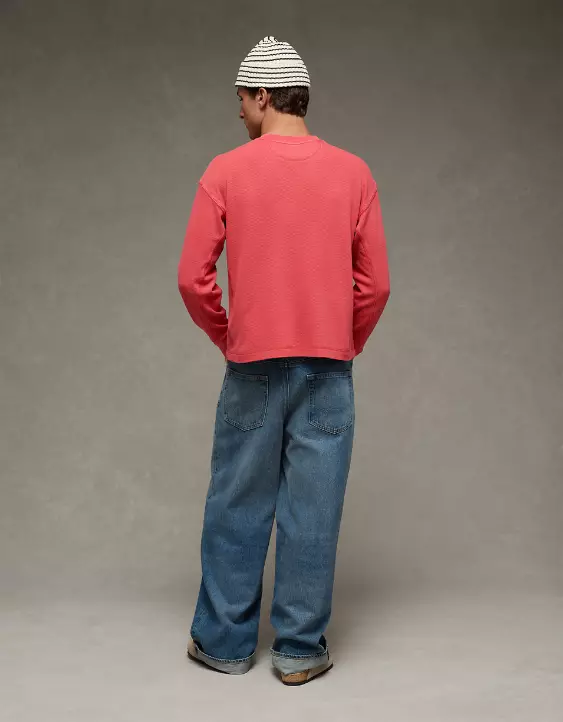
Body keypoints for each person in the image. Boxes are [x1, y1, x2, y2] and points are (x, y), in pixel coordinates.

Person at [177, 35, 390, 686]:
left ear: (264, 96)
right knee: (312, 511)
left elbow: (192, 279)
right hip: (328, 369)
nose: (238, 111)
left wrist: (228, 335)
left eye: (242, 99)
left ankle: (224, 643)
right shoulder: (353, 172)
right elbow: (375, 285)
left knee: (237, 505)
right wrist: (344, 340)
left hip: (253, 368)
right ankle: (298, 650)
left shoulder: (225, 170)